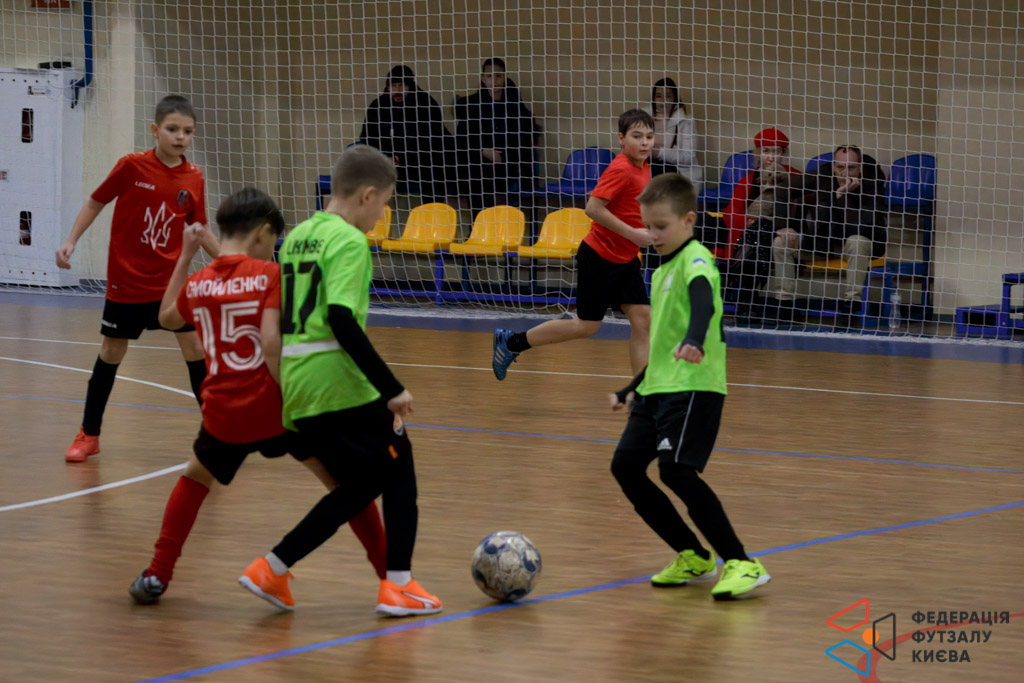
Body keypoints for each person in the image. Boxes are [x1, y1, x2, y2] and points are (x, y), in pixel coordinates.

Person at [128, 188, 386, 605]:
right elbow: (270, 344)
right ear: (264, 233)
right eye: (273, 242)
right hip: (278, 406)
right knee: (346, 486)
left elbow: (166, 317)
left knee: (195, 479)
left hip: (223, 413)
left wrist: (187, 254)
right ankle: (392, 577)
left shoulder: (199, 284)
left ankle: (157, 574)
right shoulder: (270, 276)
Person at [237, 146, 441, 617]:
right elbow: (340, 319)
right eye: (384, 203)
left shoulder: (298, 236)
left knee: (364, 482)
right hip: (337, 382)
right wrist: (392, 388)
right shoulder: (349, 242)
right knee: (399, 466)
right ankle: (399, 584)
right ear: (367, 195)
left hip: (298, 384)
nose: (384, 214)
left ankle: (273, 567)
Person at [609, 173, 770, 600]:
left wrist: (696, 340)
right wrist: (632, 387)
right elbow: (664, 344)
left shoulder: (696, 260)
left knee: (677, 471)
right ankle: (692, 555)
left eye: (661, 226)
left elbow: (703, 302)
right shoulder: (661, 270)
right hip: (657, 388)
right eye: (648, 226)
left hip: (695, 385)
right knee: (626, 467)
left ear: (688, 220)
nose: (652, 235)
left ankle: (741, 562)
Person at [55, 94, 220, 464]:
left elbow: (198, 229)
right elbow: (96, 201)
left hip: (170, 286)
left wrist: (232, 263)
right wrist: (71, 241)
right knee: (111, 352)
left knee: (194, 350)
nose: (181, 137)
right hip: (126, 284)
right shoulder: (131, 166)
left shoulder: (194, 177)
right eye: (173, 129)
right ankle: (89, 435)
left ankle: (217, 435)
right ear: (155, 130)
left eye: (188, 131)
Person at [492, 109, 654, 379]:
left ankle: (641, 391)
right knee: (586, 326)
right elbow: (592, 208)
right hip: (600, 257)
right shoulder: (622, 168)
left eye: (649, 136)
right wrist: (633, 234)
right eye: (637, 136)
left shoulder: (644, 167)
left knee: (642, 320)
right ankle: (512, 342)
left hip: (625, 259)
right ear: (621, 139)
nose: (644, 142)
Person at [772, 145, 887, 319]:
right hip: (823, 242)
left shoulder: (873, 182)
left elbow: (863, 228)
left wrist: (842, 197)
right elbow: (781, 190)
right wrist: (783, 226)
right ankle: (784, 304)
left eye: (851, 168)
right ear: (833, 166)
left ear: (860, 168)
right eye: (840, 167)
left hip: (855, 246)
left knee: (857, 241)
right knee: (781, 242)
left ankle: (851, 305)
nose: (845, 173)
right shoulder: (823, 175)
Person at [721, 127, 802, 318]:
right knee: (757, 233)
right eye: (766, 151)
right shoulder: (747, 180)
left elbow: (804, 211)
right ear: (758, 153)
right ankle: (748, 300)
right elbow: (730, 214)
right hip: (753, 235)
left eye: (776, 151)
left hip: (783, 233)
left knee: (759, 232)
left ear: (784, 154)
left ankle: (744, 299)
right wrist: (747, 222)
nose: (771, 157)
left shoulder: (795, 177)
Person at [358, 65, 454, 203]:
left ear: (410, 87)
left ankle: (432, 212)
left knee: (433, 168)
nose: (397, 91)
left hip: (423, 160)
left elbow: (433, 141)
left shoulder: (425, 103)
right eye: (393, 86)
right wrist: (385, 157)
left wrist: (402, 157)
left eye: (402, 86)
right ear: (387, 87)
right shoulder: (378, 106)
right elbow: (367, 139)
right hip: (388, 161)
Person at [454, 57, 540, 213]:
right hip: (480, 163)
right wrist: (483, 151)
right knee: (476, 174)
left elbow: (528, 137)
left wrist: (505, 156)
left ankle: (502, 219)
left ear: (505, 77)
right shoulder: (472, 105)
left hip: (509, 163)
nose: (494, 81)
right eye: (489, 76)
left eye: (498, 76)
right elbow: (462, 139)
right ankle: (478, 222)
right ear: (483, 79)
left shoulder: (515, 106)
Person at [641, 77, 703, 191]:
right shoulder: (643, 118)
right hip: (647, 167)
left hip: (677, 173)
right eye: (658, 96)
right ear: (653, 98)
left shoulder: (686, 122)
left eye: (668, 96)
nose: (663, 101)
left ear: (675, 98)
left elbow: (688, 157)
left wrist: (659, 152)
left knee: (657, 169)